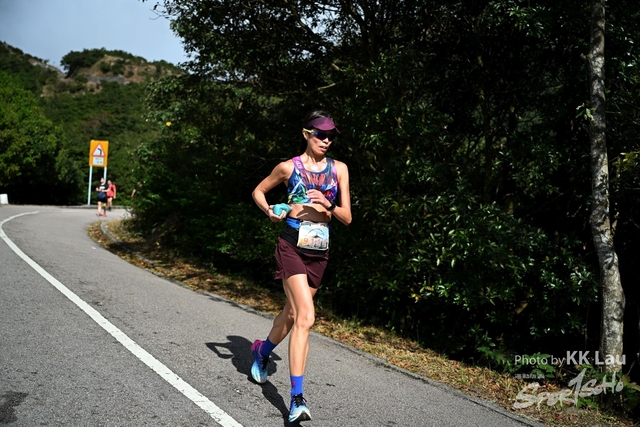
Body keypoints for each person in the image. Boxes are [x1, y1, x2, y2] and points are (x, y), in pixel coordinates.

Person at [250, 110, 352, 423]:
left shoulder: (339, 169)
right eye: (321, 134)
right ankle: (297, 399)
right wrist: (270, 210)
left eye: (331, 136)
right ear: (306, 134)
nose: (326, 140)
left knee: (293, 314)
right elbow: (258, 191)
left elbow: (347, 217)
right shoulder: (288, 167)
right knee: (306, 316)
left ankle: (261, 352)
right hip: (292, 243)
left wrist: (328, 203)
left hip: (320, 249)